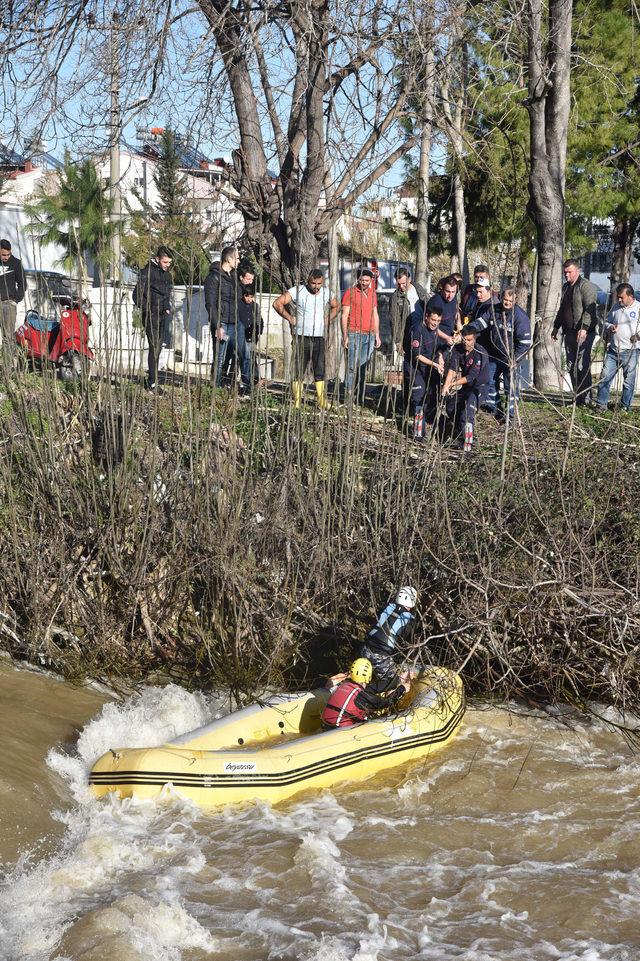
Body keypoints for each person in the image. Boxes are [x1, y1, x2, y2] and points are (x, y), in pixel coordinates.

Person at [273, 268, 338, 409]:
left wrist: (328, 319)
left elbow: (336, 307)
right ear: (308, 281)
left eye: (319, 283)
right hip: (301, 337)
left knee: (319, 370)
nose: (316, 287)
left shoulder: (327, 293)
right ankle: (297, 401)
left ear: (323, 282)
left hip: (319, 337)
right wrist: (290, 318)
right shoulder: (298, 291)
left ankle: (321, 401)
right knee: (298, 370)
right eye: (313, 283)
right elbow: (277, 303)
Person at [552, 259, 598, 407]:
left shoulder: (586, 286)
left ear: (577, 271)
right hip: (569, 333)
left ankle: (587, 398)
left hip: (585, 332)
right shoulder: (565, 287)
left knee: (582, 366)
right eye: (565, 272)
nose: (566, 275)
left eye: (569, 272)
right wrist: (556, 327)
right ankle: (577, 398)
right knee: (571, 366)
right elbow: (562, 309)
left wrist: (584, 327)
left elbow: (590, 310)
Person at [483, 288, 532, 420]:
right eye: (505, 300)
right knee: (489, 379)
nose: (507, 303)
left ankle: (510, 415)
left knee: (509, 386)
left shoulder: (520, 317)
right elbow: (482, 322)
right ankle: (494, 408)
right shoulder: (494, 310)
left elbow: (525, 343)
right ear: (501, 298)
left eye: (510, 301)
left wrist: (514, 360)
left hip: (511, 357)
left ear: (515, 300)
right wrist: (469, 330)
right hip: (495, 354)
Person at [322, 658, 410, 729]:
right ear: (369, 676)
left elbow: (373, 688)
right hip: (338, 732)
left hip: (326, 727)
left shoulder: (344, 685)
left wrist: (398, 680)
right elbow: (386, 703)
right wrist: (402, 689)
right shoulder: (361, 696)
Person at [204, 246, 247, 389]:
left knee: (244, 354)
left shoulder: (234, 276)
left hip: (235, 322)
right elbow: (210, 304)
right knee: (220, 357)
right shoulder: (214, 277)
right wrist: (217, 325)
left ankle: (248, 385)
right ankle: (215, 387)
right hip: (222, 322)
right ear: (229, 259)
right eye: (237, 257)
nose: (239, 261)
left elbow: (239, 297)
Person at [441, 325, 490, 451]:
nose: (466, 343)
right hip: (466, 387)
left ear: (474, 340)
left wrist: (453, 384)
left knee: (467, 413)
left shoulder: (480, 353)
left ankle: (468, 445)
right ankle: (461, 433)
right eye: (464, 340)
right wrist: (446, 385)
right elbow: (452, 369)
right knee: (451, 407)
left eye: (469, 340)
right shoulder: (458, 350)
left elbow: (471, 376)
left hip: (479, 387)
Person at [360, 587, 418, 689]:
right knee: (393, 681)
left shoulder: (387, 607)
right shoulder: (410, 620)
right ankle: (368, 692)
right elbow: (406, 643)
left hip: (365, 649)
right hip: (381, 656)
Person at [133, 245, 173, 393]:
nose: (167, 266)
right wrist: (148, 309)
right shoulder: (147, 272)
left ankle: (153, 380)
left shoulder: (167, 275)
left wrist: (167, 306)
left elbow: (166, 294)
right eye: (165, 262)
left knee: (158, 348)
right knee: (154, 347)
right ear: (157, 259)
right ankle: (152, 383)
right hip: (151, 315)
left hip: (162, 315)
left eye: (169, 263)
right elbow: (136, 295)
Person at [596, 282, 640, 413]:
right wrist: (610, 327)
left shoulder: (638, 308)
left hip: (630, 351)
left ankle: (624, 407)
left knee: (628, 381)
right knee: (605, 377)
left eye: (622, 297)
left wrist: (637, 336)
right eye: (618, 297)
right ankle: (601, 405)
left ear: (631, 296)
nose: (619, 300)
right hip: (613, 350)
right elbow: (606, 322)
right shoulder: (616, 307)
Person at [341, 268, 381, 405]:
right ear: (358, 279)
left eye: (367, 281)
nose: (364, 283)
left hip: (369, 335)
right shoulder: (350, 293)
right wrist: (345, 335)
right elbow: (344, 315)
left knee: (363, 367)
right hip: (354, 333)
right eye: (362, 280)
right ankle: (348, 395)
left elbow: (375, 314)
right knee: (352, 366)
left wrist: (377, 334)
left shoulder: (373, 293)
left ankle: (360, 396)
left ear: (371, 281)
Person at [407, 305, 445, 438]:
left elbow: (438, 346)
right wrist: (434, 364)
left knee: (429, 398)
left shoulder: (434, 329)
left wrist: (440, 356)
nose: (435, 323)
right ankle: (418, 435)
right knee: (418, 399)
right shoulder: (417, 330)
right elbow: (416, 355)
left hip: (428, 368)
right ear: (426, 317)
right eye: (433, 320)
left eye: (438, 321)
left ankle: (432, 426)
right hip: (415, 368)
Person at [221, 261, 256, 385]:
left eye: (252, 279)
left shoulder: (249, 295)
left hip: (242, 328)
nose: (250, 281)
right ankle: (223, 379)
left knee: (245, 356)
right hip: (231, 324)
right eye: (248, 278)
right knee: (226, 355)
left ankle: (246, 381)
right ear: (241, 277)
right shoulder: (235, 289)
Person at [390, 267, 427, 358]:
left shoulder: (419, 289)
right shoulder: (395, 297)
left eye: (403, 283)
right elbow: (394, 321)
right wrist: (398, 342)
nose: (401, 287)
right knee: (411, 360)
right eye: (398, 284)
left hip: (424, 330)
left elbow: (428, 306)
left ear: (409, 279)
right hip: (408, 333)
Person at [0, 239, 26, 371]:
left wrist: (16, 300)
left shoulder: (16, 263)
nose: (6, 257)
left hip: (8, 304)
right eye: (3, 255)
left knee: (8, 337)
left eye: (8, 254)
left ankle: (6, 369)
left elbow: (22, 284)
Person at [238, 283, 264, 387]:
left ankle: (255, 380)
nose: (249, 299)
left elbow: (259, 320)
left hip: (252, 337)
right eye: (246, 296)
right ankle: (241, 380)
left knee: (252, 357)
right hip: (240, 336)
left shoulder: (255, 306)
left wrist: (258, 330)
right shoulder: (238, 305)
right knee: (241, 358)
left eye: (251, 297)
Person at [425, 275, 460, 346]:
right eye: (448, 291)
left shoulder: (454, 298)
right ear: (442, 289)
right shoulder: (436, 302)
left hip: (450, 338)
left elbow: (456, 311)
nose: (450, 295)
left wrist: (459, 324)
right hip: (435, 341)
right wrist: (446, 337)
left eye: (453, 292)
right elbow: (430, 325)